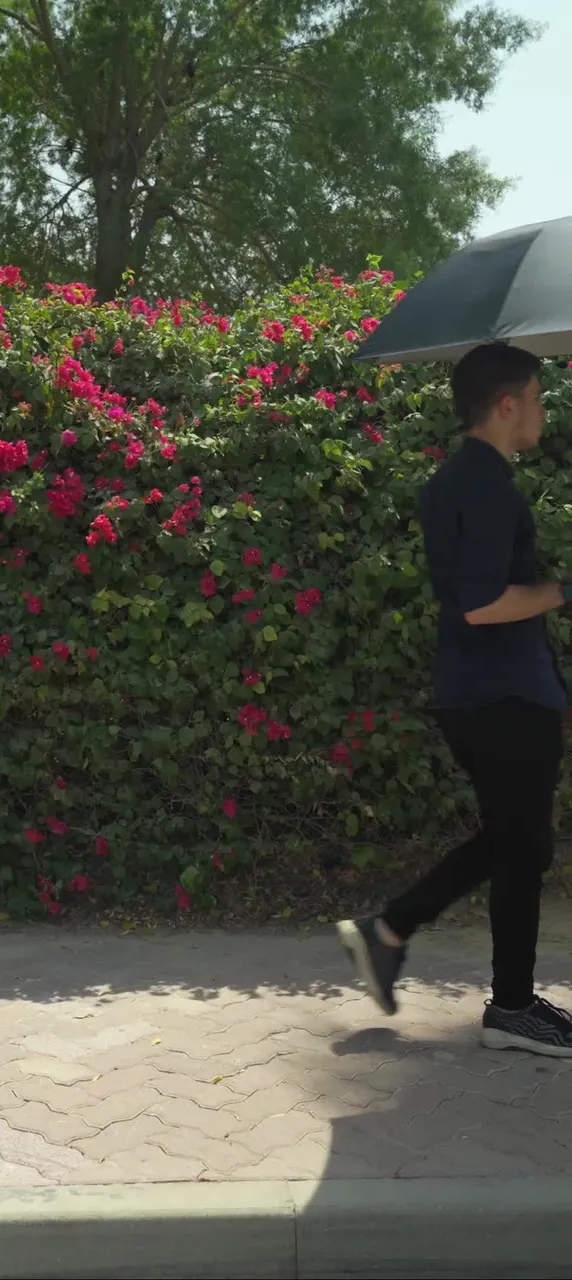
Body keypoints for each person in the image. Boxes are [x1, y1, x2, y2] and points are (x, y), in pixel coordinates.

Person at [337, 341, 572, 1057]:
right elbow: (482, 602)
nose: (542, 411)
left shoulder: (450, 481)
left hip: (474, 691)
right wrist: (564, 591)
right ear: (505, 405)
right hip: (505, 694)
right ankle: (510, 1006)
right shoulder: (489, 485)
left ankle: (389, 932)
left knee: (514, 840)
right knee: (521, 845)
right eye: (536, 398)